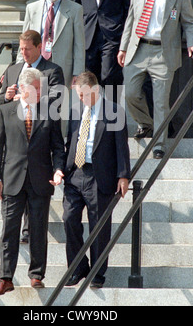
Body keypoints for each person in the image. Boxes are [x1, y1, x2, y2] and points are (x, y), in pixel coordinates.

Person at [118, 0, 193, 159]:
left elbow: (189, 22)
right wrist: (123, 48)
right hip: (138, 49)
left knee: (160, 102)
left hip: (163, 52)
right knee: (130, 94)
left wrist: (192, 44)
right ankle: (147, 124)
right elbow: (130, 21)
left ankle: (159, 145)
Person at [0, 68, 65, 295]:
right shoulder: (5, 111)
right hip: (12, 180)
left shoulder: (49, 113)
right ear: (23, 88)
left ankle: (36, 275)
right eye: (37, 88)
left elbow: (58, 148)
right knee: (9, 230)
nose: (41, 92)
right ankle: (5, 278)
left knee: (39, 230)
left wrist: (59, 169)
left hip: (40, 180)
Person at [63, 71, 131, 288]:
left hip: (99, 175)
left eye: (83, 95)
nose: (81, 99)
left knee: (99, 226)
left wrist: (123, 175)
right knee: (69, 217)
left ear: (95, 90)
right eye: (78, 95)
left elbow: (122, 146)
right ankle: (78, 267)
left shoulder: (114, 112)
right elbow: (71, 143)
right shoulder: (75, 112)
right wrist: (63, 169)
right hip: (75, 174)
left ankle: (97, 272)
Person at [0, 29, 65, 244]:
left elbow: (56, 99)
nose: (23, 53)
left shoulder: (52, 70)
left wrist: (30, 96)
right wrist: (8, 96)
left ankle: (29, 230)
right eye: (21, 49)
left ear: (39, 47)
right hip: (17, 135)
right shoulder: (13, 70)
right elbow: (1, 102)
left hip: (40, 131)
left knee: (35, 182)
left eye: (27, 49)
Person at [16, 0, 85, 90]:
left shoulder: (75, 10)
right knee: (35, 101)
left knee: (59, 104)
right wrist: (18, 69)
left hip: (63, 68)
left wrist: (78, 72)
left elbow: (79, 44)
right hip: (36, 63)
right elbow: (24, 41)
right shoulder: (32, 9)